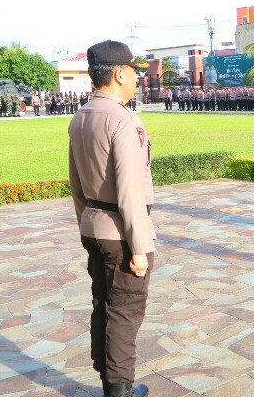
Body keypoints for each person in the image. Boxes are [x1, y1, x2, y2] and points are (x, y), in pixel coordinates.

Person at [68, 40, 153, 397]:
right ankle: (119, 391)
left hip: (94, 225)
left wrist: (85, 222)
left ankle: (109, 380)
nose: (137, 78)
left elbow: (75, 182)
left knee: (103, 305)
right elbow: (130, 188)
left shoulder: (80, 116)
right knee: (125, 312)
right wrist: (139, 247)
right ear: (119, 74)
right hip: (121, 233)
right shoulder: (123, 119)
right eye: (133, 72)